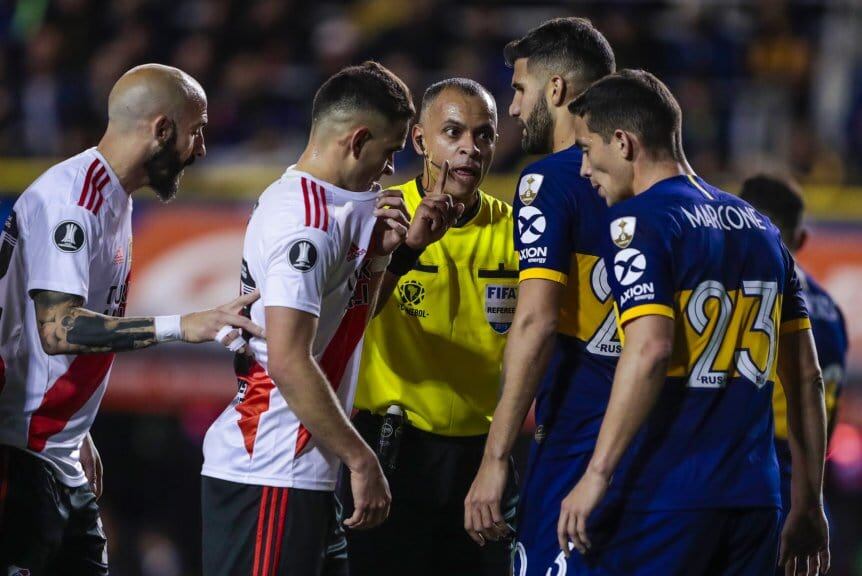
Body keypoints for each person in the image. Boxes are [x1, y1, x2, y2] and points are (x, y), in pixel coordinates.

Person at [560, 69, 830, 575]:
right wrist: (808, 500)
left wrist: (596, 475)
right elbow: (806, 376)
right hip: (756, 499)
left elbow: (650, 350)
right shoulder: (764, 230)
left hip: (667, 497)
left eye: (586, 148)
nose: (583, 169)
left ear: (623, 142)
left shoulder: (639, 224)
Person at [0, 63, 264, 576]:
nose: (202, 148)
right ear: (162, 130)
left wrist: (79, 431)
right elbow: (60, 330)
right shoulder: (74, 203)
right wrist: (180, 325)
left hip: (55, 452)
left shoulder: (110, 199)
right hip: (21, 457)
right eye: (197, 130)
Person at [200, 61, 462, 576]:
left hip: (302, 473)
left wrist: (394, 257)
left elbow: (341, 329)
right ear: (357, 139)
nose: (390, 169)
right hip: (272, 471)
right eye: (388, 152)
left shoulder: (332, 207)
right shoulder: (308, 225)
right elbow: (290, 361)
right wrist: (361, 459)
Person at [341, 78, 518, 576]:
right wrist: (401, 252)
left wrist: (498, 460)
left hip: (482, 461)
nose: (470, 148)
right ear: (420, 140)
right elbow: (342, 326)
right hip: (392, 453)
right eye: (454, 132)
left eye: (484, 135)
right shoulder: (378, 215)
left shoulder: (518, 233)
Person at [462, 18, 620, 576]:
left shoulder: (547, 181)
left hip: (576, 441)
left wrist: (496, 457)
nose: (511, 109)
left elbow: (534, 325)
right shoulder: (657, 185)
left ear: (556, 90)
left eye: (519, 90)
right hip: (653, 449)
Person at [739, 174, 848, 575]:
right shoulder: (831, 311)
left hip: (749, 486)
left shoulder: (741, 291)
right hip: (809, 498)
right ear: (800, 240)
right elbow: (825, 415)